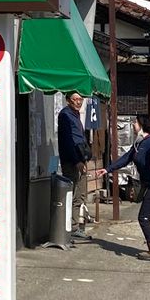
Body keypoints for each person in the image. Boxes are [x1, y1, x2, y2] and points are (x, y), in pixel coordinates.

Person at [105, 114, 150, 259]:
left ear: (142, 125)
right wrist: (108, 169)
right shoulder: (139, 143)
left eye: (135, 122)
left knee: (143, 217)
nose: (133, 124)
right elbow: (126, 158)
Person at [57, 90, 91, 230]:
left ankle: (77, 225)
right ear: (68, 100)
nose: (78, 102)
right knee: (73, 192)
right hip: (72, 161)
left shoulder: (75, 114)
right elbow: (68, 141)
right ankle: (71, 226)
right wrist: (76, 160)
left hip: (80, 159)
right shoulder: (65, 115)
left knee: (81, 193)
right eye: (75, 99)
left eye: (80, 99)